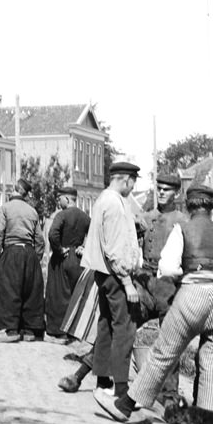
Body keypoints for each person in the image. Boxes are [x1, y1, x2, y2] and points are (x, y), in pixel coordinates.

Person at [94, 185, 213, 422]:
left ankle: (126, 405)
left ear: (189, 207)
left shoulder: (183, 229)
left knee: (163, 352)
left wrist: (190, 271)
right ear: (211, 208)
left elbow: (167, 268)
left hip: (194, 292)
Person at [58, 173, 186, 392]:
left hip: (170, 287)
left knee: (171, 339)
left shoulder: (183, 221)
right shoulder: (145, 216)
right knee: (119, 327)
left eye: (168, 189)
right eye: (159, 188)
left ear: (177, 192)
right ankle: (80, 376)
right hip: (144, 283)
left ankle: (171, 396)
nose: (162, 192)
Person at [80, 162, 142, 398]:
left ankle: (103, 380)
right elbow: (114, 249)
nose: (133, 188)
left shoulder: (103, 199)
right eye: (133, 182)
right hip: (116, 275)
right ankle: (121, 388)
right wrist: (126, 282)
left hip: (103, 274)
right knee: (124, 329)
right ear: (125, 179)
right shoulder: (115, 204)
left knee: (105, 325)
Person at [0, 178, 46, 343]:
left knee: (7, 289)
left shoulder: (6, 208)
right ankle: (29, 330)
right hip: (29, 252)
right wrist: (36, 258)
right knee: (31, 291)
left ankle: (10, 330)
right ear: (26, 194)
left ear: (14, 190)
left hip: (12, 250)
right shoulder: (32, 211)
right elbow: (40, 239)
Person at [44, 186, 91, 343]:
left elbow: (52, 234)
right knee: (76, 295)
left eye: (60, 199)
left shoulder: (62, 215)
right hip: (79, 259)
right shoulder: (85, 216)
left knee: (58, 295)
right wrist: (84, 248)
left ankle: (59, 333)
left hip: (62, 258)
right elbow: (93, 235)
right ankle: (74, 332)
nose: (58, 202)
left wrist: (59, 249)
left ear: (67, 199)